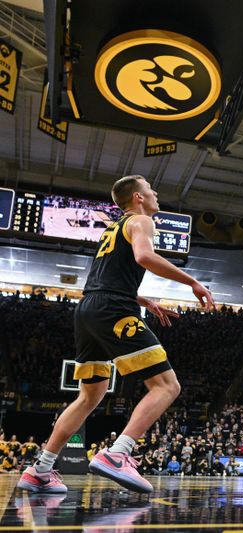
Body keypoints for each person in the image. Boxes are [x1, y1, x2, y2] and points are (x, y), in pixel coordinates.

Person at [16, 175, 214, 495]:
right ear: (137, 197)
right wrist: (192, 282)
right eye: (150, 189)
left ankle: (39, 469)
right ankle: (118, 454)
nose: (156, 193)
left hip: (89, 309)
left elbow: (106, 277)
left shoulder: (113, 228)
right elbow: (144, 257)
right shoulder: (141, 221)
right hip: (113, 311)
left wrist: (143, 299)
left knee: (89, 396)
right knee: (167, 386)